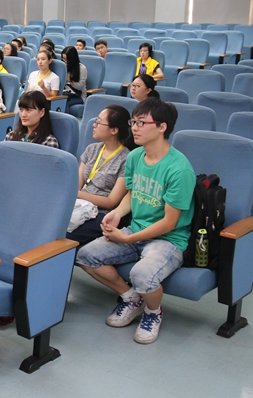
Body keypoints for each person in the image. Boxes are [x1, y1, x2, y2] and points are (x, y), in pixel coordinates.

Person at [76, 98, 195, 344]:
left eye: (141, 123)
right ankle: (132, 298)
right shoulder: (136, 157)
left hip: (167, 240)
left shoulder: (179, 169)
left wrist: (128, 238)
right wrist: (118, 214)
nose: (135, 128)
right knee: (85, 256)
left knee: (142, 274)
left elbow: (170, 223)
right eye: (134, 122)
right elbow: (132, 193)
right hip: (135, 229)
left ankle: (153, 312)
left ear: (161, 127)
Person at [68, 105, 133, 246]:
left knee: (66, 235)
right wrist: (76, 194)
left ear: (114, 130)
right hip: (79, 204)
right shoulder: (91, 149)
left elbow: (111, 201)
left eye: (98, 122)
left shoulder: (126, 159)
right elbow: (77, 184)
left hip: (102, 213)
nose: (94, 125)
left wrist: (77, 194)